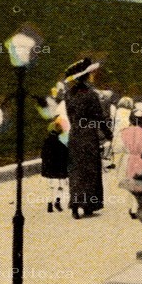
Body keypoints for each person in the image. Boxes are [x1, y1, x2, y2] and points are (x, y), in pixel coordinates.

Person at [65, 58, 111, 219]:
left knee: (76, 170)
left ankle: (75, 206)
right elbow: (99, 117)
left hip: (75, 134)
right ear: (86, 76)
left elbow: (71, 117)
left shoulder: (68, 94)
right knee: (90, 171)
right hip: (88, 135)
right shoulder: (91, 95)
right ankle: (89, 205)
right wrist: (108, 134)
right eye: (90, 74)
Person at [40, 118, 70, 213]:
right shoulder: (61, 141)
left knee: (51, 186)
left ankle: (49, 204)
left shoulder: (47, 141)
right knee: (61, 186)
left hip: (49, 168)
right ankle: (57, 202)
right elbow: (65, 154)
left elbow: (43, 155)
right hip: (59, 168)